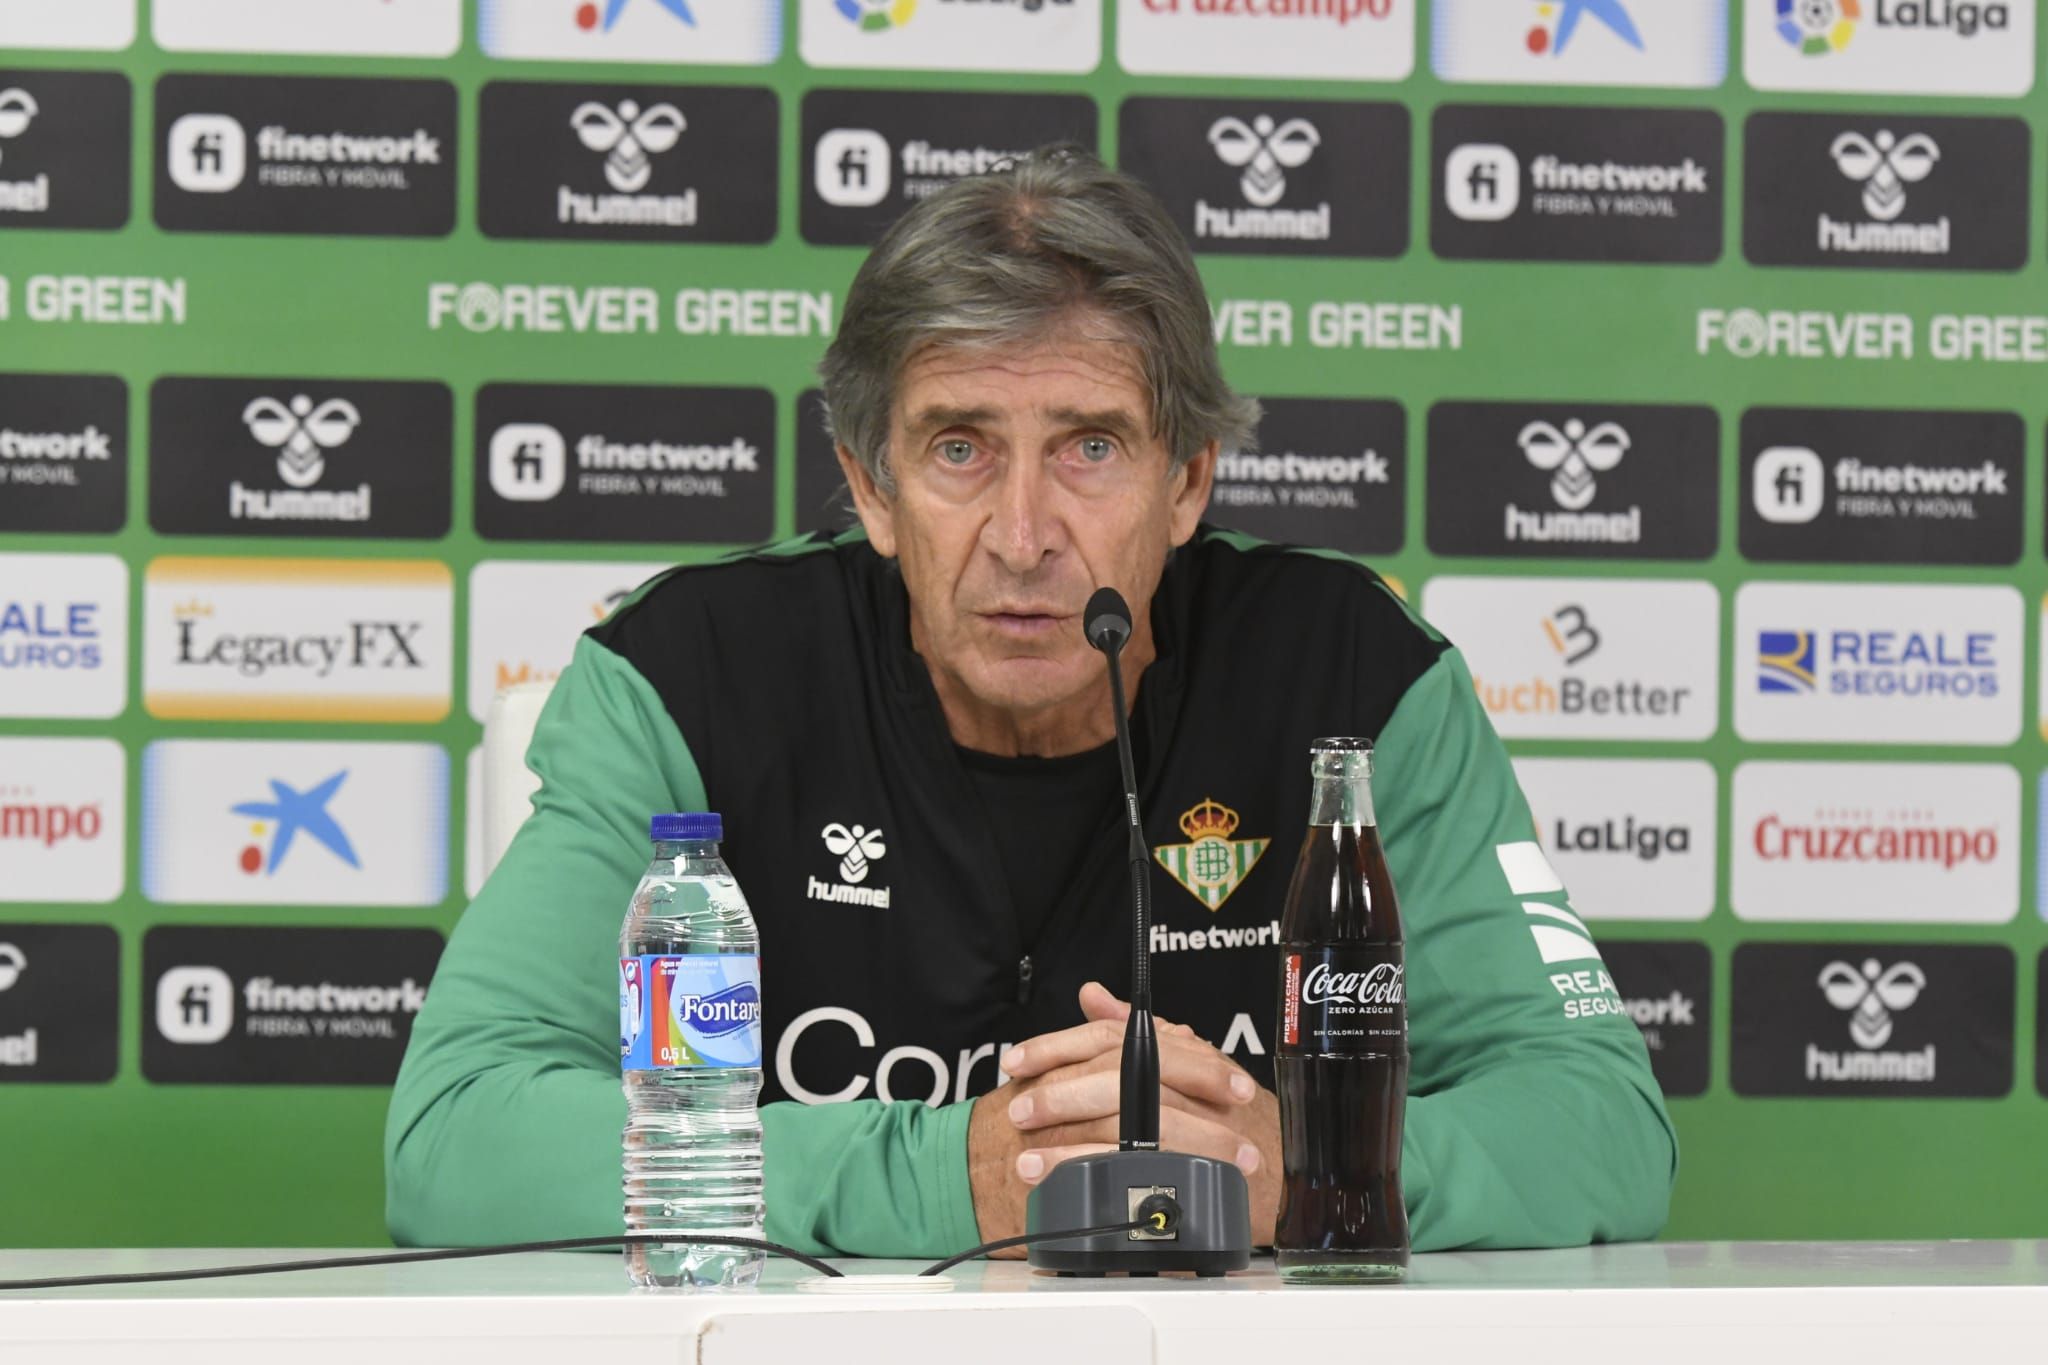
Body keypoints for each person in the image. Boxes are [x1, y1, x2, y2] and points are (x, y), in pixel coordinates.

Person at [385, 147, 1675, 1258]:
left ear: (1187, 482)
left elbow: (1604, 1127)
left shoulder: (1354, 681)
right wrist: (955, 1178)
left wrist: (1306, 1175)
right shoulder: (689, 677)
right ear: (870, 486)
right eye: (959, 448)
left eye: (1090, 448)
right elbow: (456, 1138)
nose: (1022, 535)